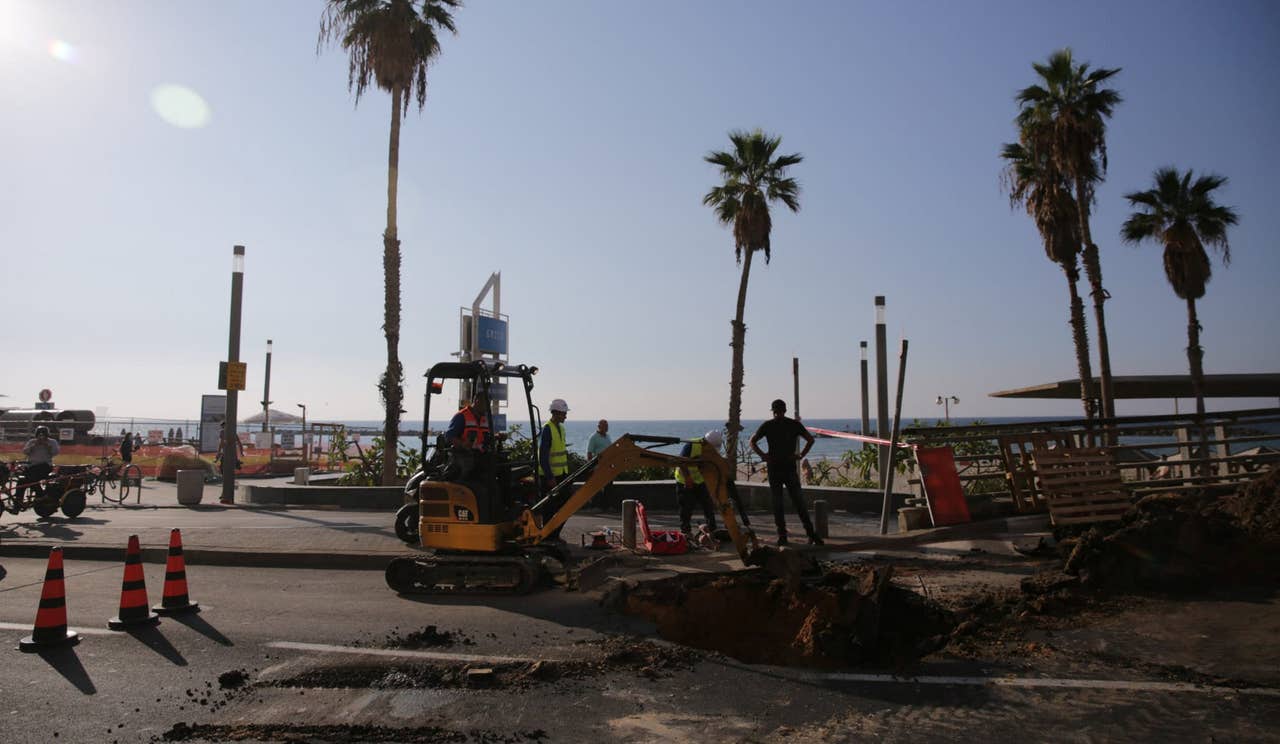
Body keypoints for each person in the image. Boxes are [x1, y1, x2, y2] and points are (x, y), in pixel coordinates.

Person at [750, 399, 822, 546]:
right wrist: (800, 455)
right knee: (795, 502)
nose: (778, 414)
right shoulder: (792, 424)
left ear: (774, 411)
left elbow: (752, 442)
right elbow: (810, 440)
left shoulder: (770, 425)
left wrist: (764, 456)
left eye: (777, 412)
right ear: (784, 410)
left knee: (782, 503)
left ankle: (787, 535)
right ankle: (807, 534)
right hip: (785, 467)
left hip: (778, 468)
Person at [675, 430, 723, 537]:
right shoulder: (691, 445)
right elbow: (680, 462)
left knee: (708, 506)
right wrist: (687, 478)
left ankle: (712, 529)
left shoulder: (712, 450)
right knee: (686, 508)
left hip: (700, 480)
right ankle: (685, 532)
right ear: (706, 442)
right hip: (684, 480)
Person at [537, 398, 572, 539]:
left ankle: (553, 535)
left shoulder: (561, 428)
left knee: (565, 506)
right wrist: (550, 477)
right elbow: (542, 456)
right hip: (550, 477)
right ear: (556, 413)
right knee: (549, 509)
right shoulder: (547, 429)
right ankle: (548, 536)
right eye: (564, 413)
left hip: (561, 474)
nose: (565, 416)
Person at [17, 425, 60, 506]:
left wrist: (47, 446)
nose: (41, 437)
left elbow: (55, 452)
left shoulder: (52, 442)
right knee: (21, 480)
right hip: (31, 466)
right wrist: (34, 445)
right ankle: (18, 501)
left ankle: (40, 494)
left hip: (45, 465)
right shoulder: (32, 441)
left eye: (43, 435)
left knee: (31, 477)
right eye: (39, 434)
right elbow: (25, 452)